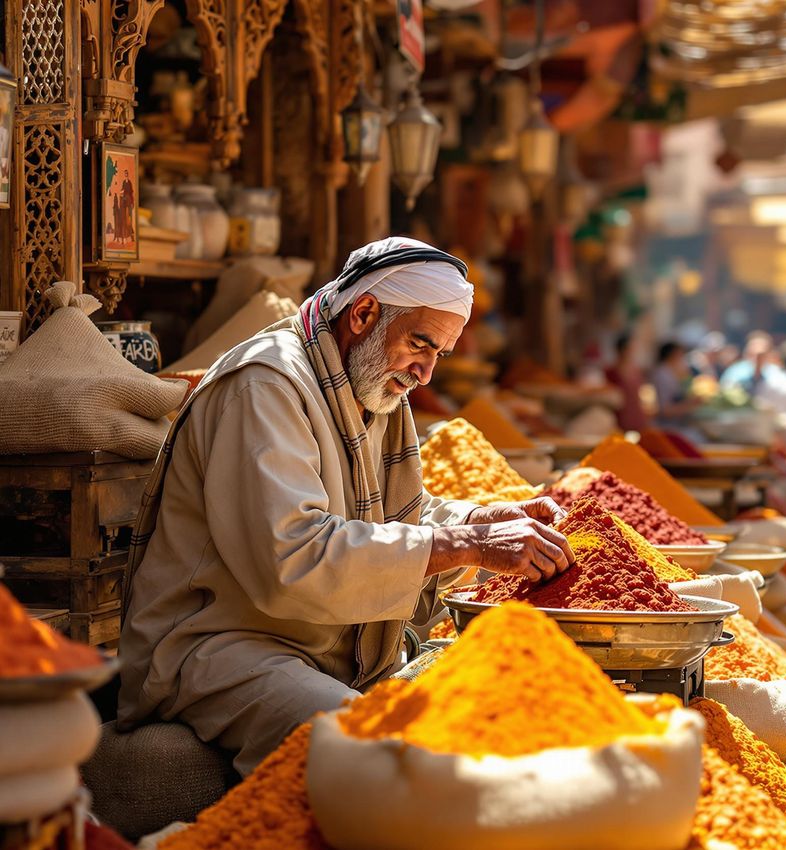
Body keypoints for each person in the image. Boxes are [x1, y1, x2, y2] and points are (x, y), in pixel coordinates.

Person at [118, 237, 576, 774]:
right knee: (372, 756)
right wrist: (463, 545)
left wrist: (477, 520)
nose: (425, 374)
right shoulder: (265, 385)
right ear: (363, 313)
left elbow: (388, 519)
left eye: (439, 356)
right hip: (220, 647)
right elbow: (294, 555)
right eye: (420, 344)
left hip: (321, 648)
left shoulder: (371, 385)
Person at [604, 331, 649, 432]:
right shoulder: (610, 372)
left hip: (636, 416)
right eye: (630, 348)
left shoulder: (637, 370)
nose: (632, 351)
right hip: (619, 418)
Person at [651, 341, 700, 429]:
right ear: (673, 355)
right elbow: (665, 410)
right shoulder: (662, 375)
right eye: (681, 355)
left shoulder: (669, 372)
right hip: (668, 427)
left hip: (675, 424)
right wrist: (689, 405)